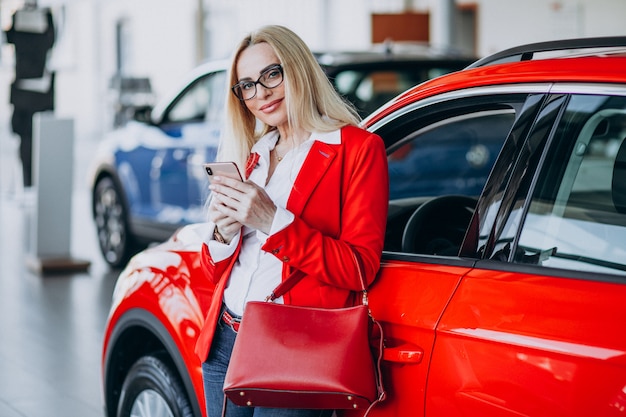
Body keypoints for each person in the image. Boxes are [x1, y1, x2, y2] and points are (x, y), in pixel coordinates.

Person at [194, 25, 389, 417]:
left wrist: (273, 221)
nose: (260, 93)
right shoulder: (254, 154)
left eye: (271, 74)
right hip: (223, 340)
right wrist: (222, 232)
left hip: (292, 346)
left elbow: (359, 267)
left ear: (298, 68)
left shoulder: (356, 149)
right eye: (246, 85)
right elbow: (215, 270)